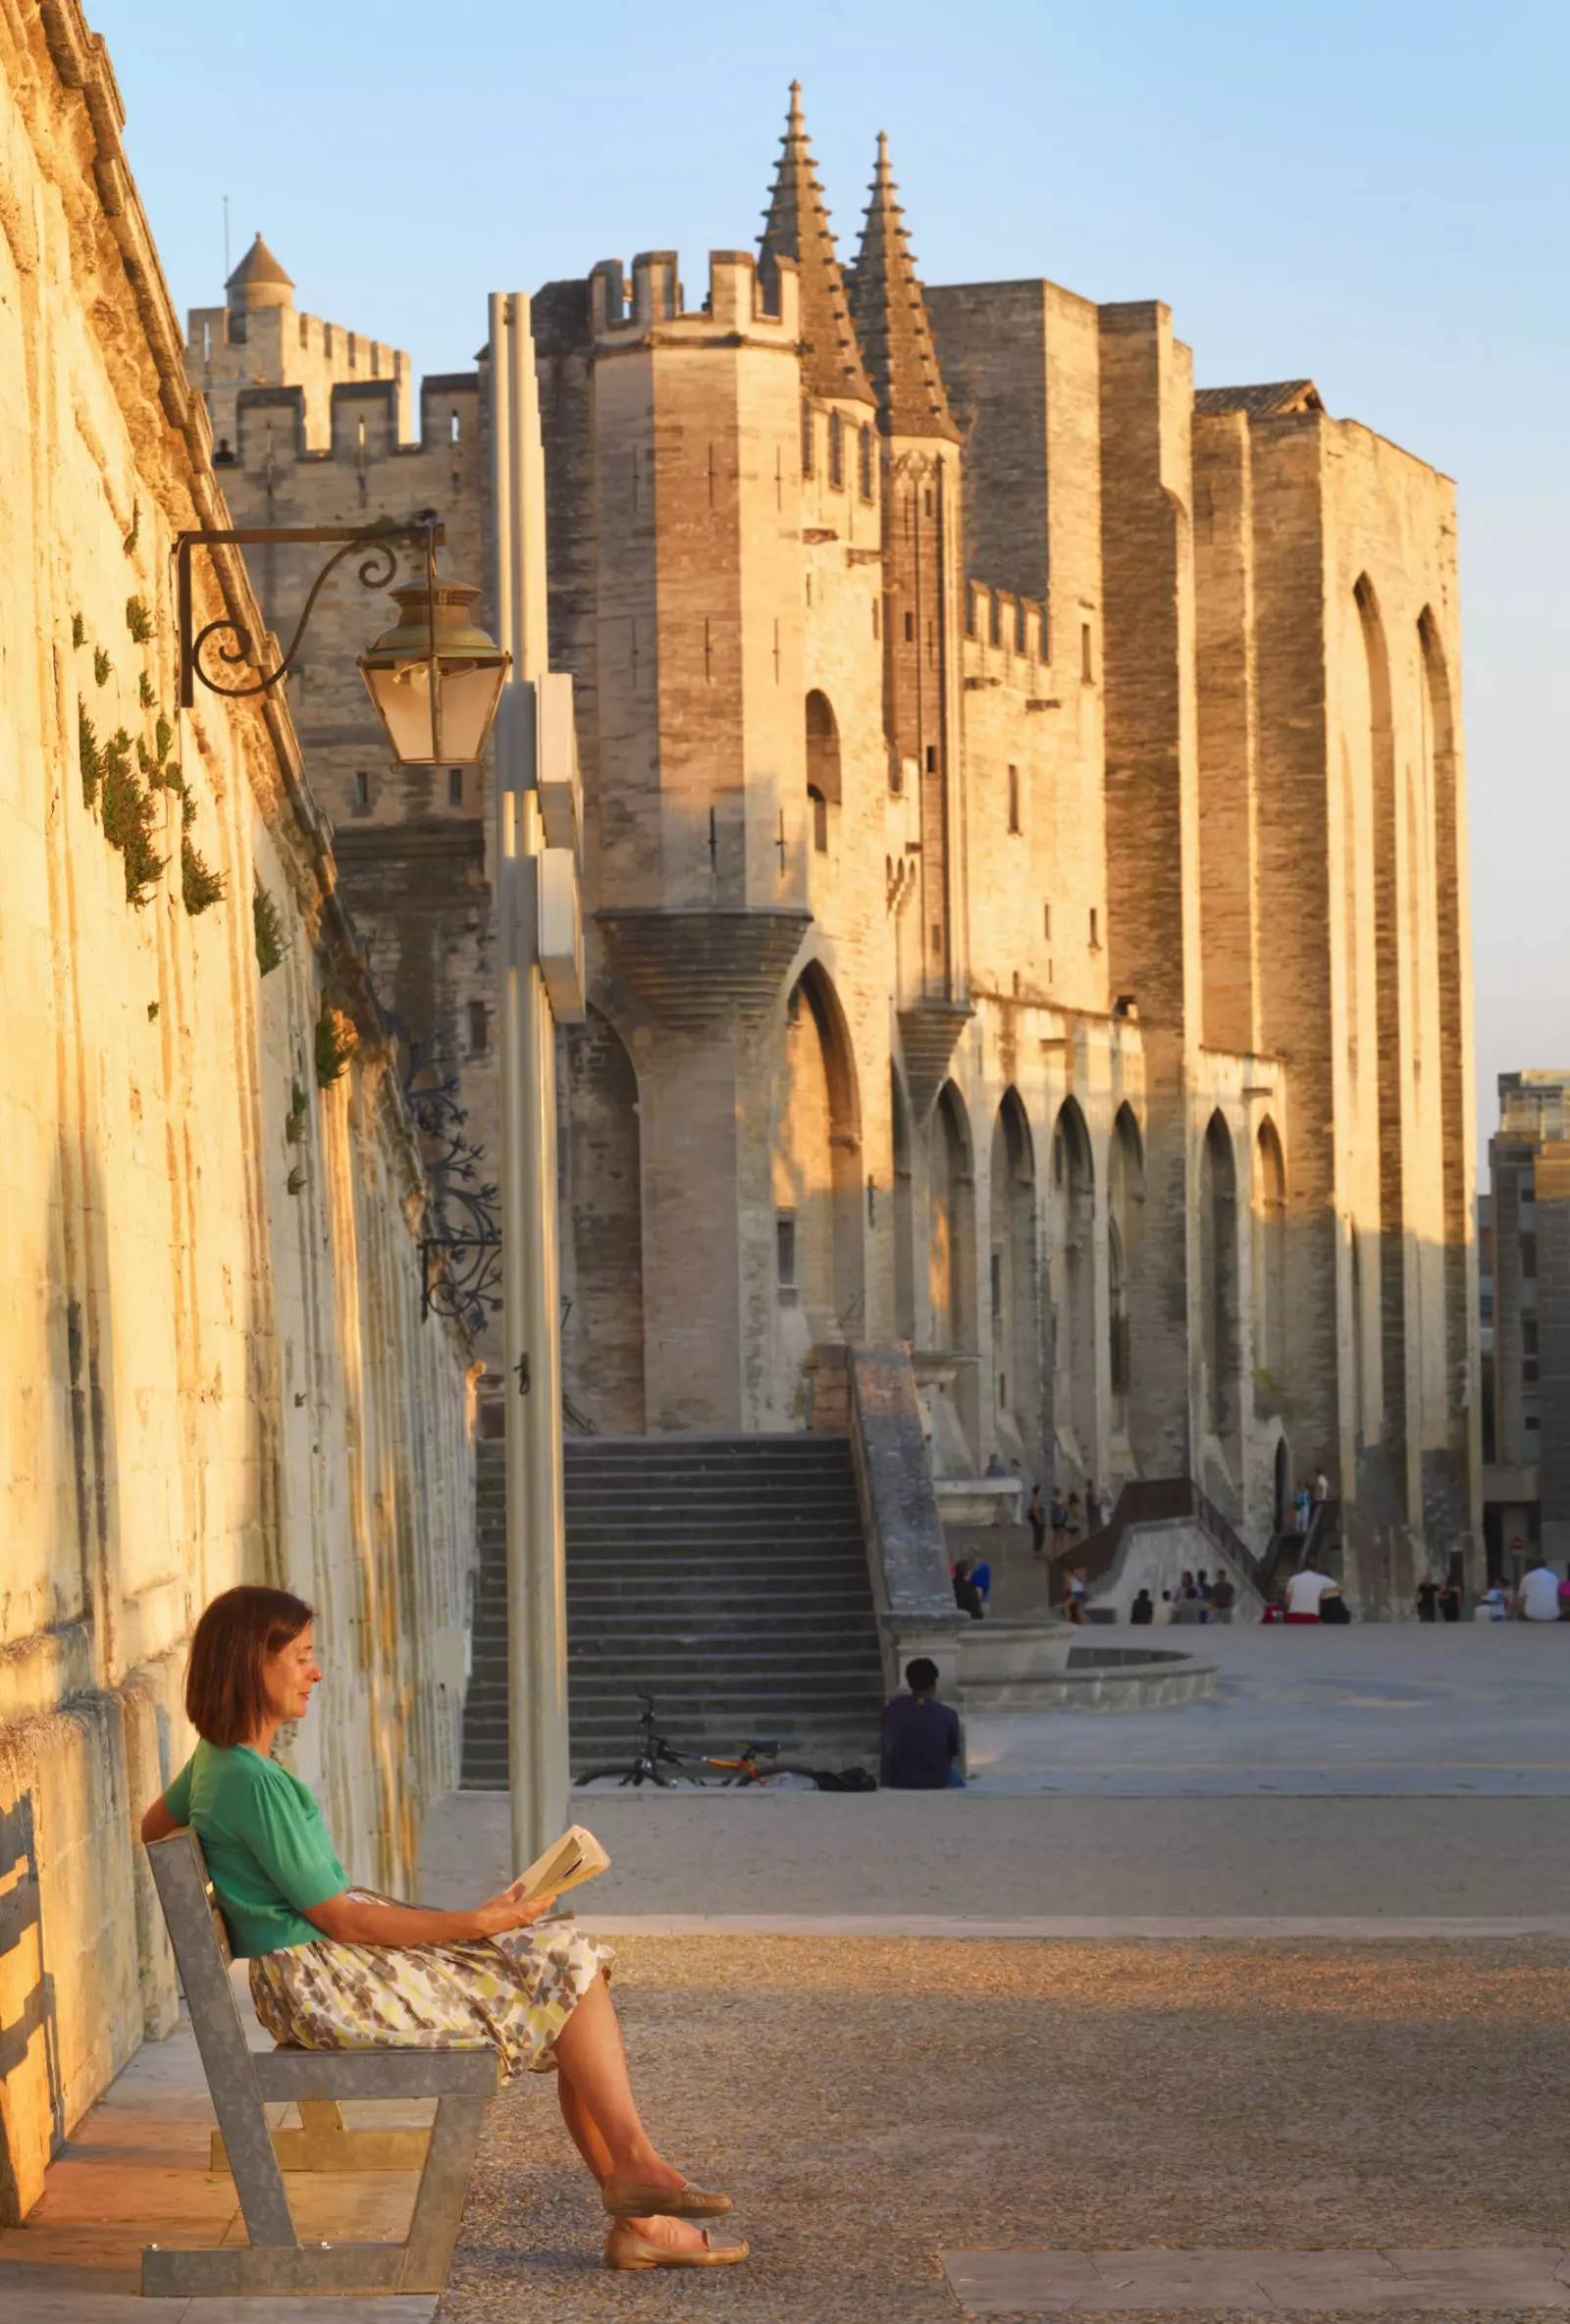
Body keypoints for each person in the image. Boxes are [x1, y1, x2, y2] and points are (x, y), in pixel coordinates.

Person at [138, 1587, 746, 2273]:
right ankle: (638, 2193)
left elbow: (154, 1827)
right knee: (564, 1965)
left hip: (310, 1972)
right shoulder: (254, 1783)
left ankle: (637, 2191)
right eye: (303, 1656)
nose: (316, 1671)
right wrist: (478, 1921)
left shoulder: (217, 1765)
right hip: (326, 1982)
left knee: (566, 1964)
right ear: (254, 1664)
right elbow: (342, 1916)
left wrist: (244, 1892)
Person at [881, 1657, 964, 1790]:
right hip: (937, 1780)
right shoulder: (948, 1714)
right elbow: (952, 1751)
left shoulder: (891, 1710)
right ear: (934, 1684)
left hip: (900, 1779)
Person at [1518, 1556, 1561, 1623]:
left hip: (1532, 1614)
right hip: (1553, 1614)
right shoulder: (1553, 1577)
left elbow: (1520, 1598)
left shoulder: (1527, 1577)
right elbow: (1558, 1595)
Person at [1028, 1484, 1048, 1559]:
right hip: (1039, 1521)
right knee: (1039, 1536)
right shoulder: (1036, 1500)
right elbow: (1036, 1511)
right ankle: (1037, 1552)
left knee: (1040, 1536)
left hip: (1040, 1520)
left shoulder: (1038, 1499)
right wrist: (1039, 1520)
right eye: (1040, 1490)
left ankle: (1038, 1552)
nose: (1042, 1492)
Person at [1049, 1490, 1069, 1557]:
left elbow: (1064, 1510)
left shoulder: (1055, 1502)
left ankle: (1058, 1550)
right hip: (1058, 1521)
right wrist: (1063, 1504)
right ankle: (1058, 1550)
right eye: (1060, 1493)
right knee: (1059, 1536)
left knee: (1058, 1536)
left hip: (1058, 1521)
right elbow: (1059, 1509)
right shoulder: (1055, 1502)